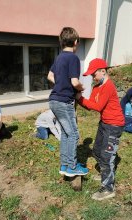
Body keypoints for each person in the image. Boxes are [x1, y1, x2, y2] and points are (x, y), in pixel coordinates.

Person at [77, 58, 125, 201]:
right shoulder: (97, 86)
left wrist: (80, 98)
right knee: (97, 151)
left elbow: (97, 107)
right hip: (104, 123)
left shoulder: (108, 86)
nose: (92, 77)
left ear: (103, 71)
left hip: (115, 125)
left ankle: (108, 188)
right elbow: (91, 104)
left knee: (106, 156)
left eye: (94, 74)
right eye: (91, 75)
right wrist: (79, 99)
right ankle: (105, 173)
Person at [48, 27, 89, 177]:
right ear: (76, 42)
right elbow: (74, 81)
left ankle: (64, 165)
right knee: (73, 135)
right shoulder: (73, 58)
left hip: (53, 100)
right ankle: (72, 167)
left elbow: (50, 76)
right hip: (64, 102)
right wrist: (81, 87)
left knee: (66, 133)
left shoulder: (59, 57)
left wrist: (60, 83)